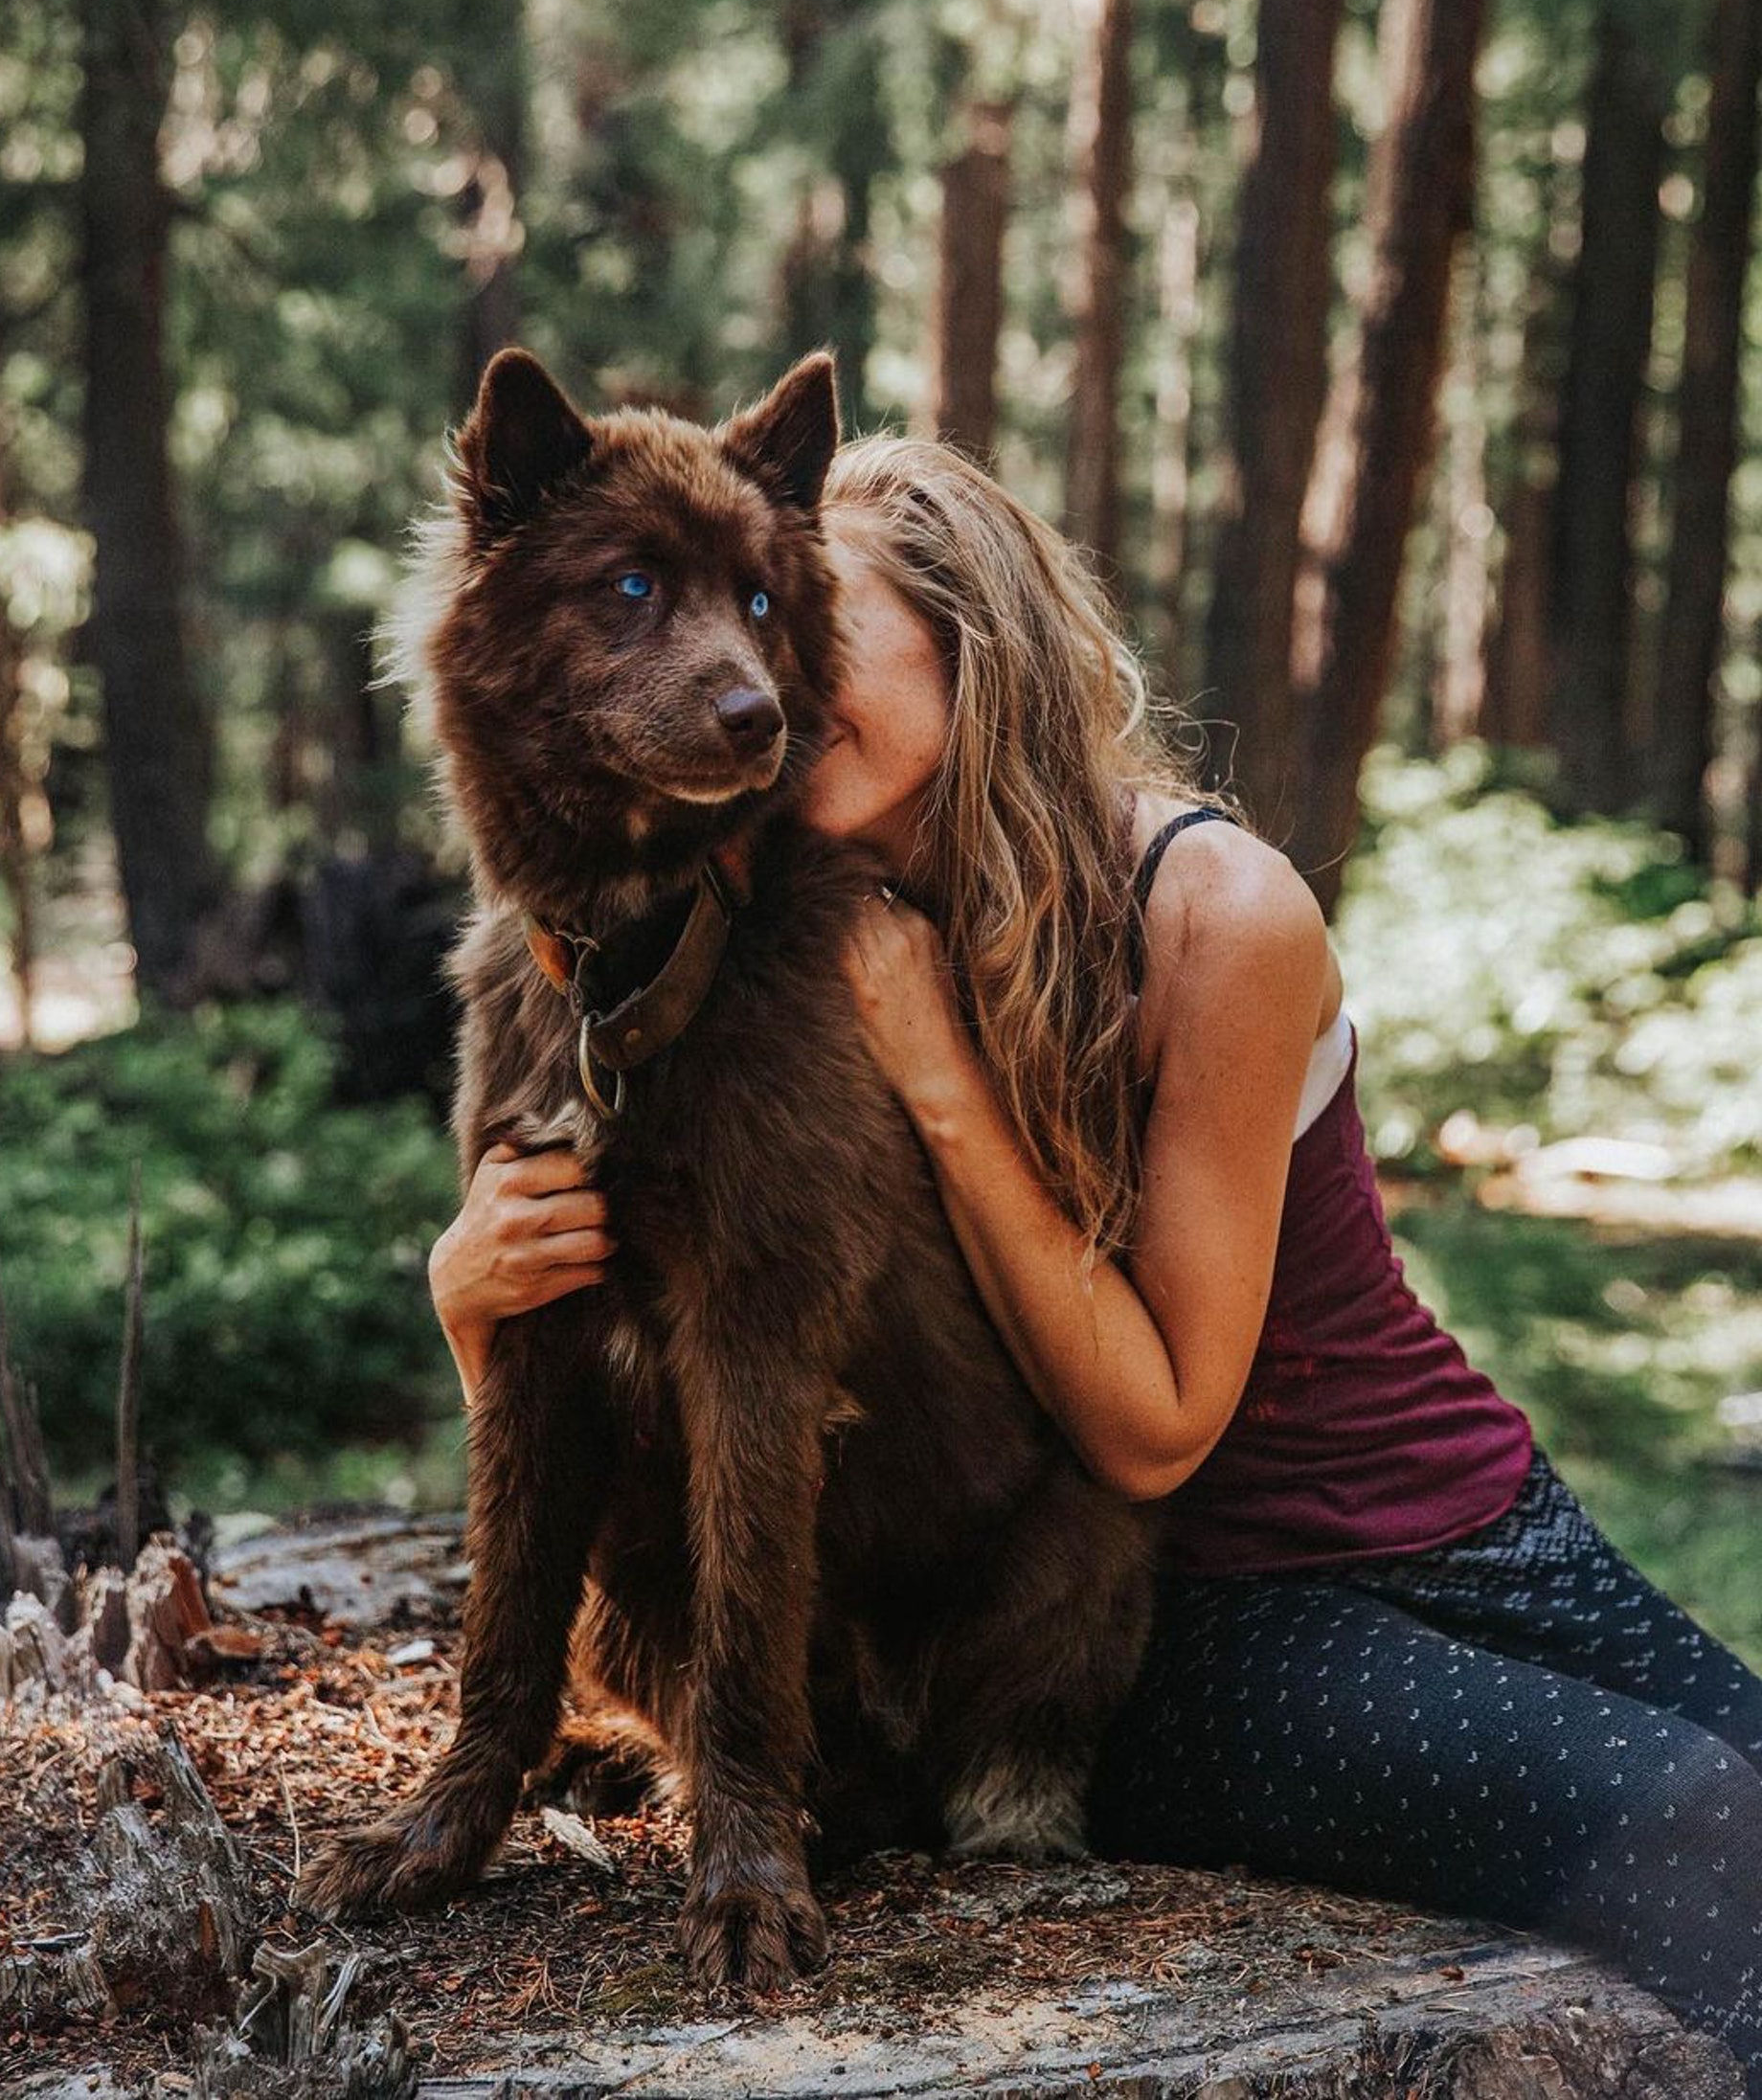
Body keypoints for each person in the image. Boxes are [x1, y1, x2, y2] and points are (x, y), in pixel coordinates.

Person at [426, 433, 1762, 2089]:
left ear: (972, 645)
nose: (769, 666)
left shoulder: (1207, 909)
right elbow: (668, 1364)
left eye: (804, 613)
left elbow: (1163, 1404)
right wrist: (475, 1301)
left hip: (1459, 1526)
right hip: (1175, 1617)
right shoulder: (727, 925)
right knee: (1721, 1840)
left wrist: (931, 1059)